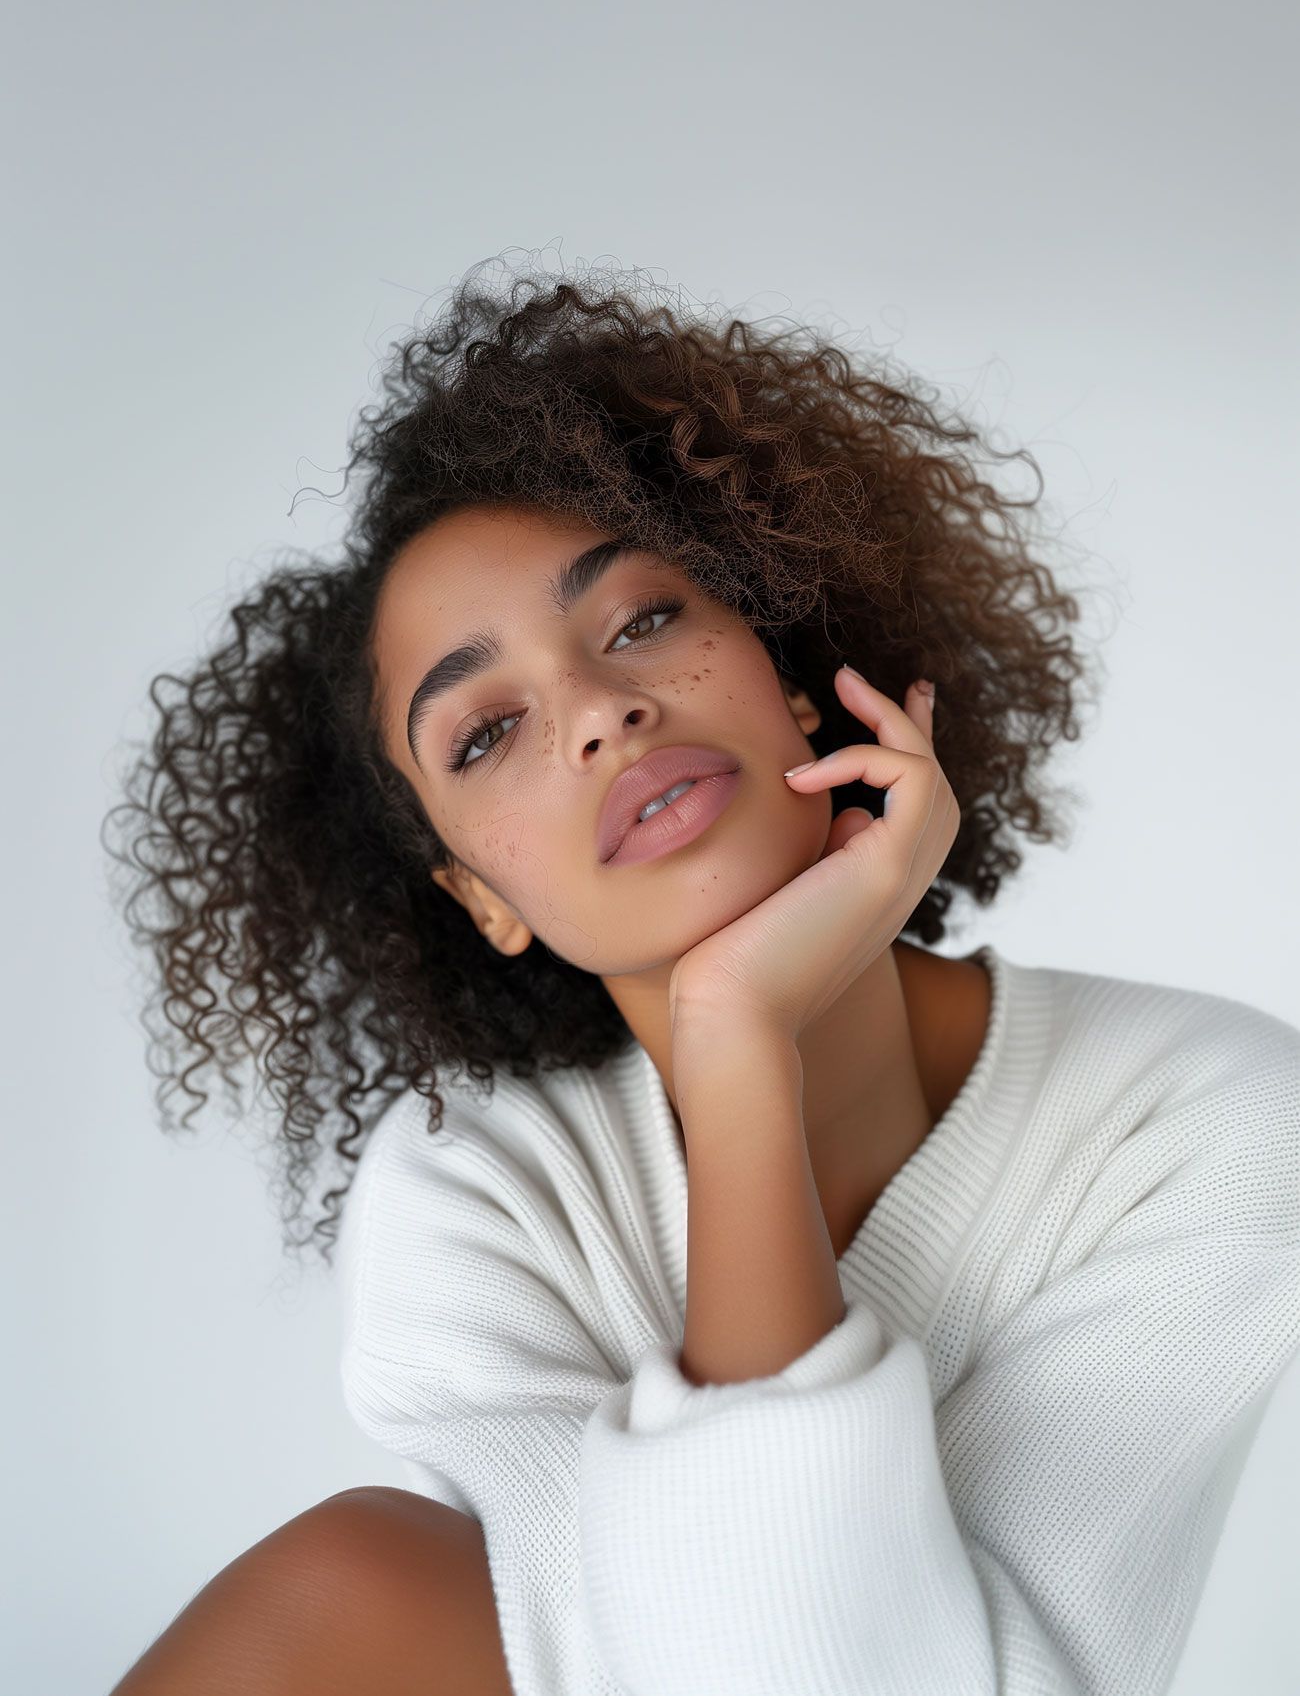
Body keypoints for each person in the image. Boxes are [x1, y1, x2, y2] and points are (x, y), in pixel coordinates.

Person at [104, 258, 1300, 1696]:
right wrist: (743, 1052)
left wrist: (736, 1032)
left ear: (790, 674)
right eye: (487, 732)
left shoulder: (1205, 1125)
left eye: (644, 620)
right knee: (356, 1567)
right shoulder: (477, 1199)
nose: (604, 711)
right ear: (481, 897)